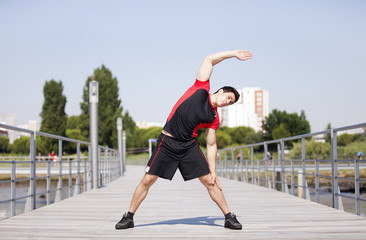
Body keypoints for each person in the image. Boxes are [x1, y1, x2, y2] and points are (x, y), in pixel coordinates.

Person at [115, 50, 253, 230]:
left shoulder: (214, 117)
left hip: (188, 146)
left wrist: (213, 171)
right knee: (148, 179)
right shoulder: (200, 88)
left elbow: (211, 144)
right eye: (228, 97)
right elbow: (209, 60)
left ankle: (228, 217)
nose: (228, 102)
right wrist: (234, 54)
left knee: (210, 182)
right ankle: (129, 216)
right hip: (168, 142)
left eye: (231, 102)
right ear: (221, 91)